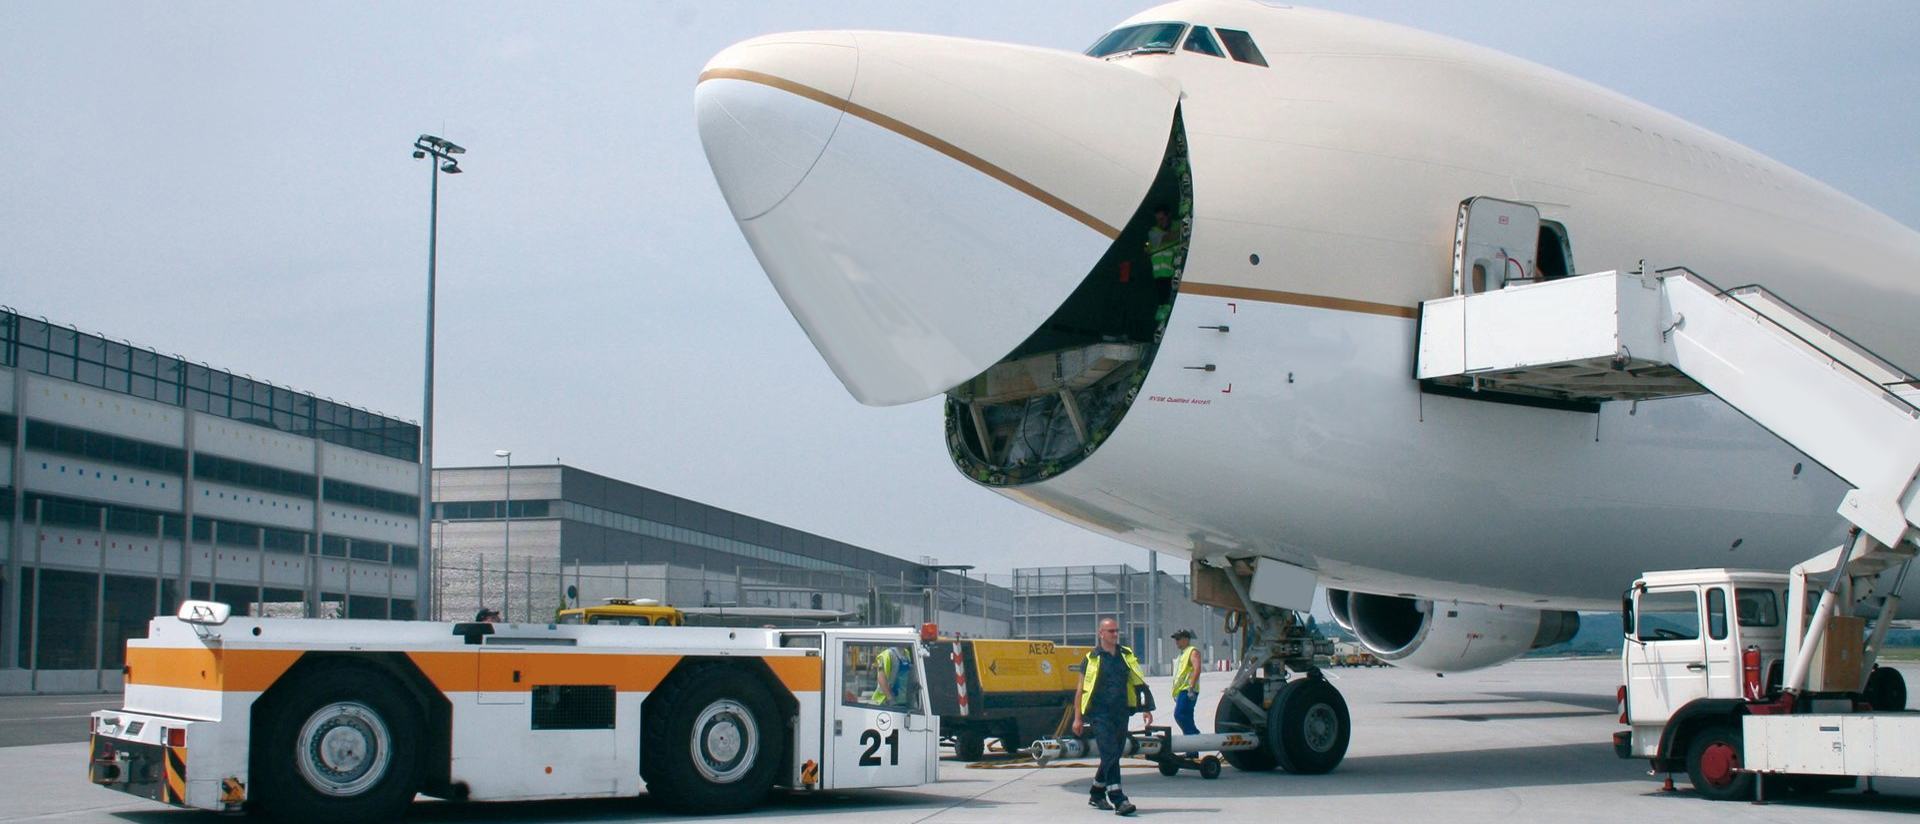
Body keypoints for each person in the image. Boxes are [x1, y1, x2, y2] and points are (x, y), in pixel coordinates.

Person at [1072, 618, 1154, 816]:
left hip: (1121, 712)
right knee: (1109, 753)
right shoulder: (1091, 658)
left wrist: (1145, 708)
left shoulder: (1125, 655)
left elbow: (1137, 681)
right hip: (1100, 714)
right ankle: (1119, 799)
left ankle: (1097, 792)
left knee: (1114, 754)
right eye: (1111, 631)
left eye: (1116, 631)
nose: (1115, 634)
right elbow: (1081, 690)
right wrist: (1078, 718)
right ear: (1101, 633)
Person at [1170, 629, 1201, 757]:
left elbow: (1197, 668)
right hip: (1181, 691)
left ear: (1186, 639)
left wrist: (1191, 688)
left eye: (1178, 639)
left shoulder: (1192, 651)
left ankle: (1195, 738)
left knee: (1180, 715)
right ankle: (1192, 750)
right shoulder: (1182, 654)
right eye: (1175, 639)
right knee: (1186, 717)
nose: (1176, 642)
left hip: (1188, 690)